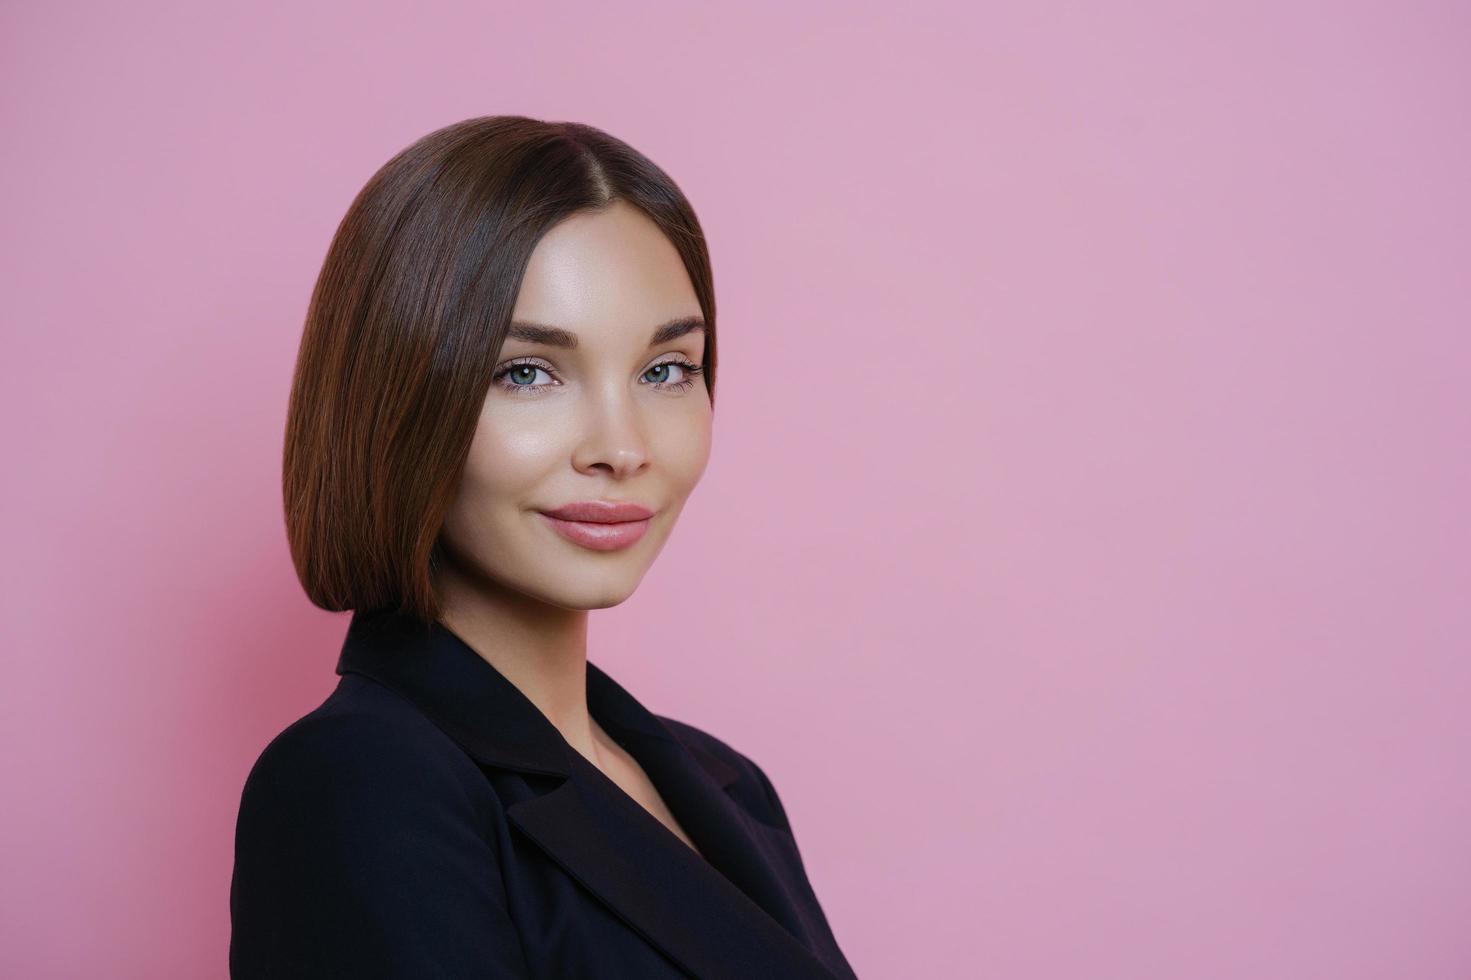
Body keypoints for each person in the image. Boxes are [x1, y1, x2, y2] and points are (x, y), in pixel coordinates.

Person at [228, 115, 858, 980]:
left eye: (666, 369)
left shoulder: (724, 786)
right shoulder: (358, 783)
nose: (621, 445)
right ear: (398, 400)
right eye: (527, 372)